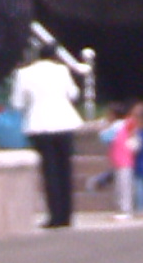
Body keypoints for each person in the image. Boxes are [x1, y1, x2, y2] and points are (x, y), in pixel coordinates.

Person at [10, 43, 86, 228]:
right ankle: (67, 215)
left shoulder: (24, 73)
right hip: (64, 121)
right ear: (55, 56)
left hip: (40, 124)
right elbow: (74, 94)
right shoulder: (62, 70)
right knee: (65, 169)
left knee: (50, 171)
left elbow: (17, 103)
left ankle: (55, 216)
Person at [99, 103, 138, 218]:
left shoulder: (117, 127)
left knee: (123, 187)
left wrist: (104, 127)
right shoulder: (126, 125)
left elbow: (104, 137)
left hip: (121, 160)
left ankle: (125, 210)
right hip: (125, 160)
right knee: (124, 186)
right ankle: (125, 209)